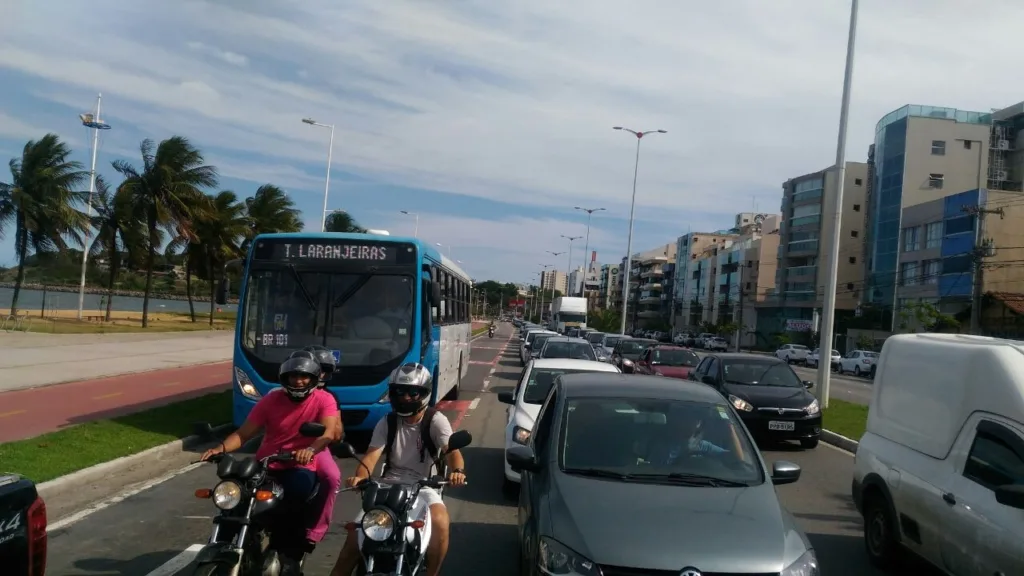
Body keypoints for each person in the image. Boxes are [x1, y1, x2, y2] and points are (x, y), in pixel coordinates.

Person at [329, 363, 467, 576]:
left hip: (424, 486)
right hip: (388, 485)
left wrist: (457, 471)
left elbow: (452, 451)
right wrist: (359, 478)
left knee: (440, 520)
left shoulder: (435, 420)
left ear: (424, 394)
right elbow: (371, 456)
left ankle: (432, 572)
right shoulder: (387, 421)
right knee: (354, 538)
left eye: (413, 393)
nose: (406, 398)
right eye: (400, 392)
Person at [200, 353, 342, 556]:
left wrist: (309, 450)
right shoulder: (271, 400)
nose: (298, 381)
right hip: (266, 463)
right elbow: (243, 433)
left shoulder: (324, 399)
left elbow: (328, 432)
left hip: (298, 464)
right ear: (285, 378)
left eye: (304, 377)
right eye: (293, 376)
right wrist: (219, 449)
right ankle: (221, 542)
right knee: (237, 497)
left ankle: (289, 551)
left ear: (314, 378)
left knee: (295, 496)